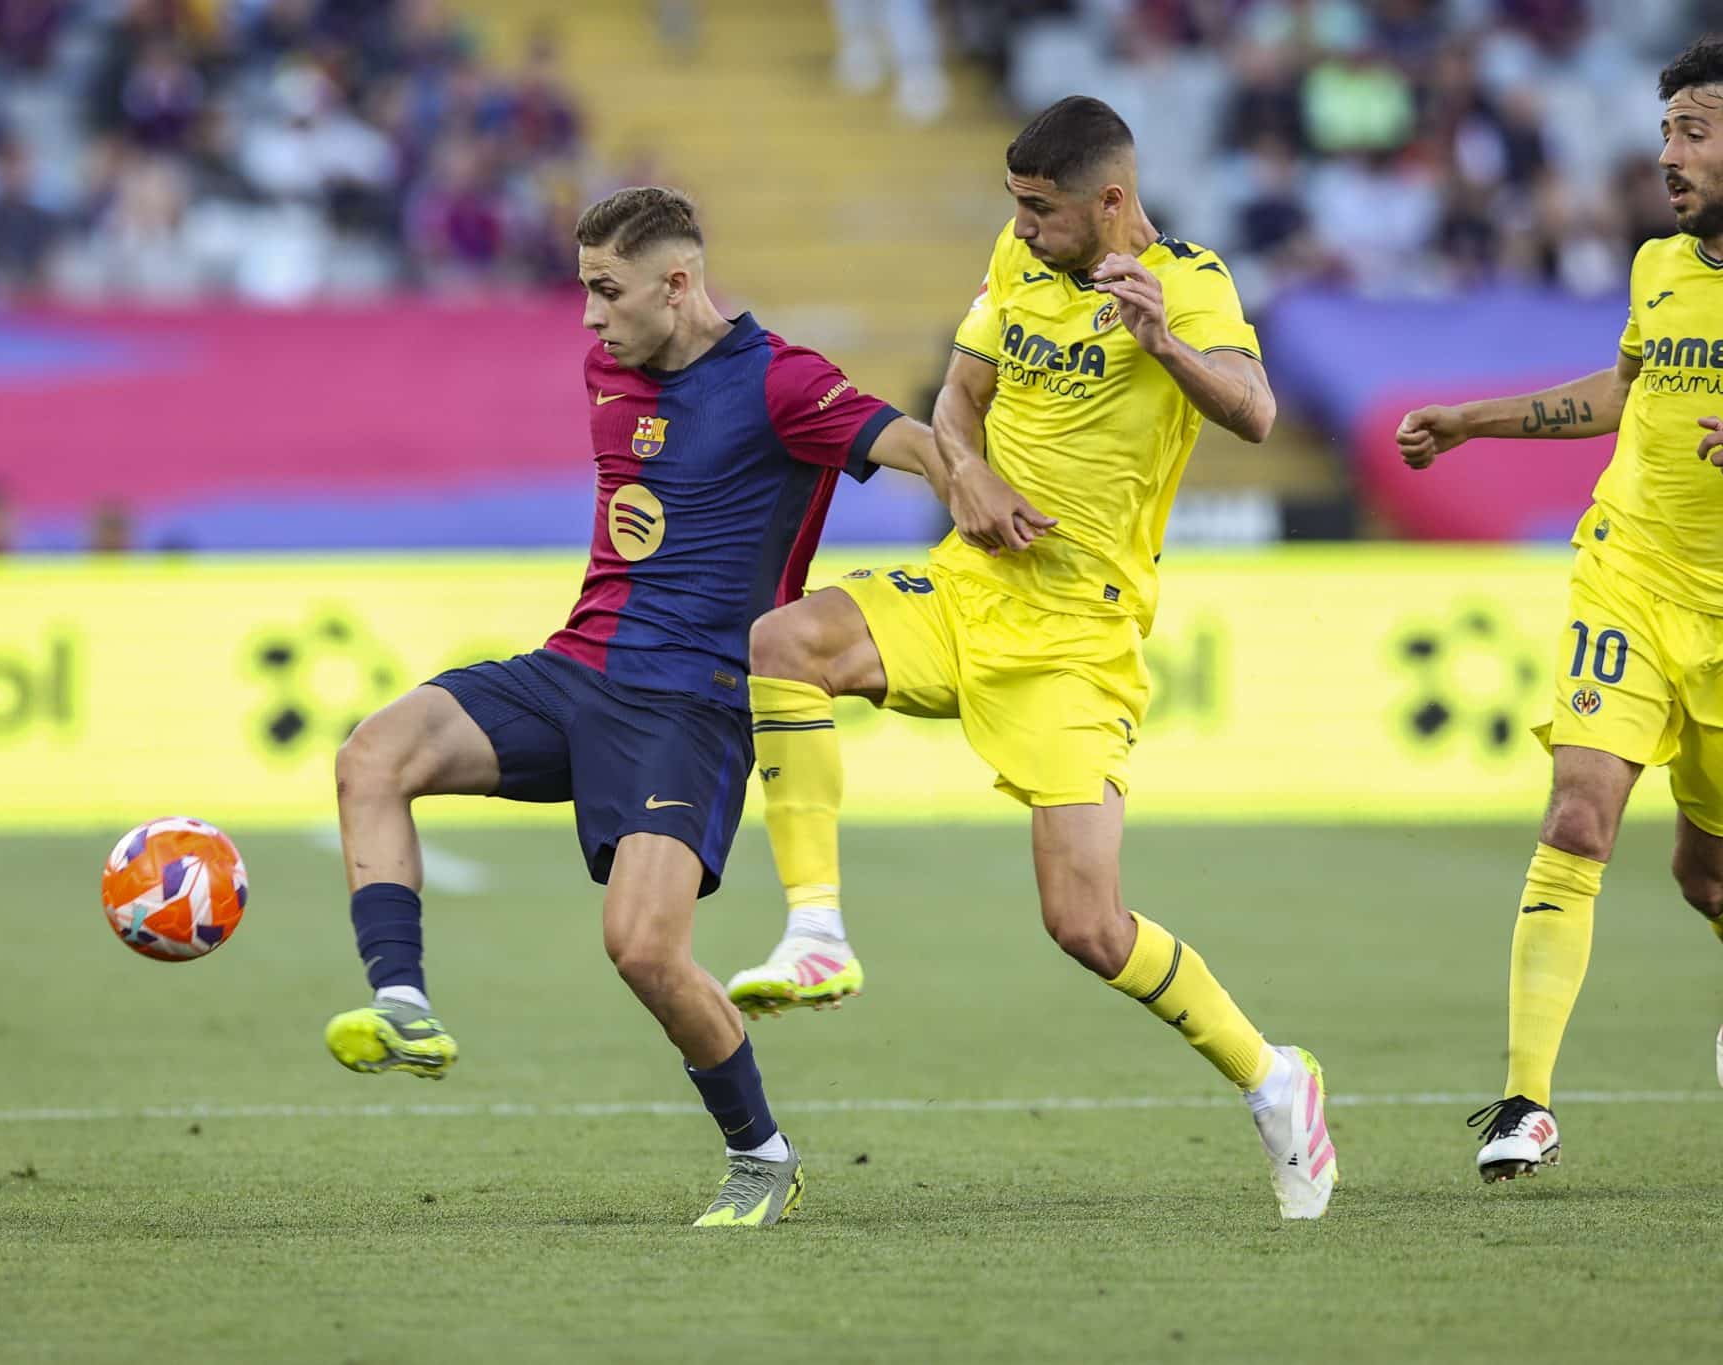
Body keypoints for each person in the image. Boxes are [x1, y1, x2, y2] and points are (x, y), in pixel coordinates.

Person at [726, 96, 1339, 1220]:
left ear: (1109, 202)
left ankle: (1271, 1079)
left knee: (1084, 924)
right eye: (1014, 205)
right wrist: (966, 478)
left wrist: (1160, 340)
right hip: (967, 587)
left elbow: (1252, 412)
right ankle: (815, 931)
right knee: (783, 640)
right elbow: (956, 402)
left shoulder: (1189, 280)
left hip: (1075, 634)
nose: (1019, 225)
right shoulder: (1013, 261)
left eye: (1039, 208)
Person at [324, 186, 967, 1226]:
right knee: (372, 756)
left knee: (642, 950)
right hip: (575, 672)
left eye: (604, 290)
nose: (587, 317)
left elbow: (911, 445)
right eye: (584, 290)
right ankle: (402, 1005)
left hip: (690, 709)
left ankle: (760, 1153)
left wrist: (977, 489)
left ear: (677, 284)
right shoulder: (608, 366)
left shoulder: (781, 383)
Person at [1395, 37, 1723, 1183]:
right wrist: (1472, 418)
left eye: (1692, 130)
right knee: (1577, 818)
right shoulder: (1655, 266)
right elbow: (1627, 393)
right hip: (1626, 575)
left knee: (1704, 875)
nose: (1666, 155)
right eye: (1665, 131)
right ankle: (1522, 1103)